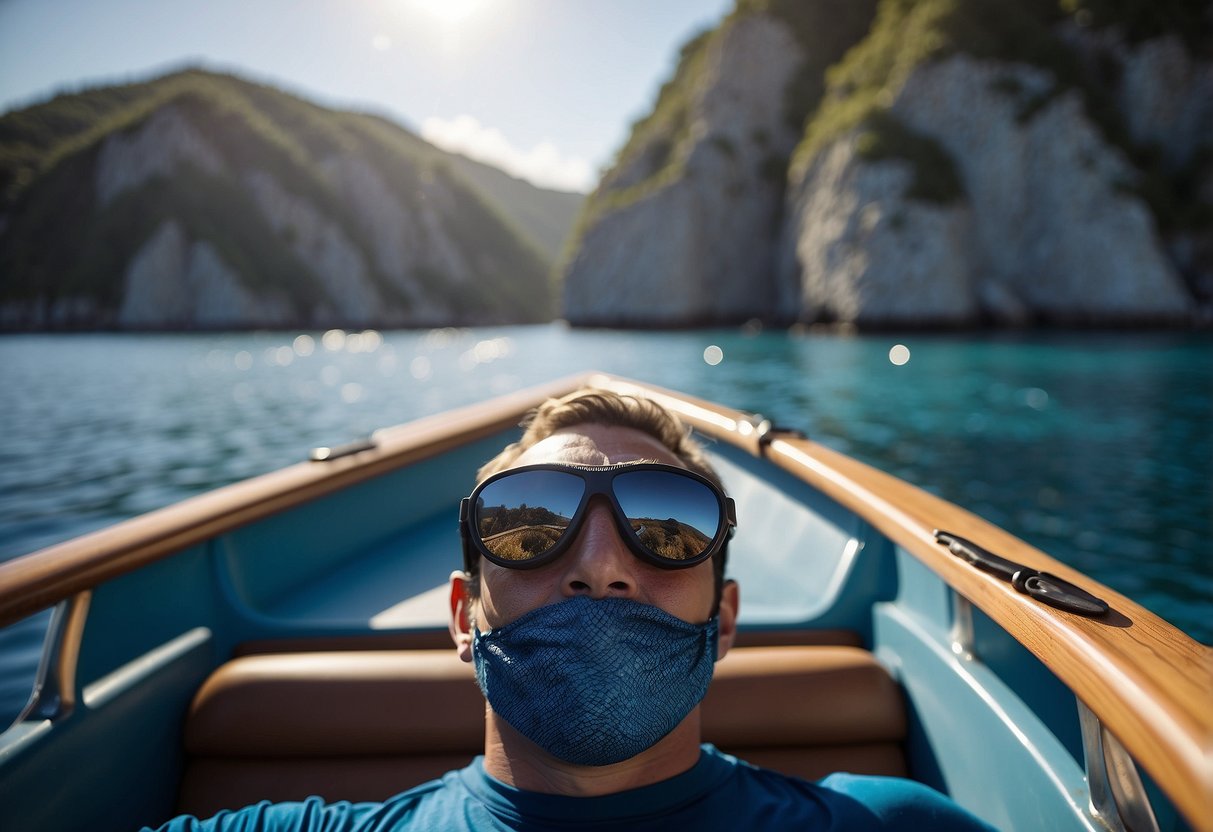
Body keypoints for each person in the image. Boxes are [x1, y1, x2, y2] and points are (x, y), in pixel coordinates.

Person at [148, 388, 996, 831]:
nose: (599, 566)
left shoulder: (885, 826)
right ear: (461, 615)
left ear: (726, 618)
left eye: (668, 530)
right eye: (531, 527)